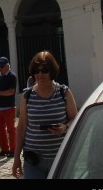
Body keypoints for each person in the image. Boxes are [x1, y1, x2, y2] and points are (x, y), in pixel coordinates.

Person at [12, 51, 78, 179]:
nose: (40, 74)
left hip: (61, 159)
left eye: (44, 70)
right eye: (36, 70)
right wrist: (16, 158)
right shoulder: (27, 96)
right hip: (34, 160)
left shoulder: (64, 92)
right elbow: (21, 128)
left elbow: (75, 118)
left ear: (52, 71)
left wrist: (64, 127)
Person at [0, 56, 17, 158]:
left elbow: (11, 91)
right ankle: (4, 149)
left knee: (11, 129)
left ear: (7, 66)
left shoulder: (12, 76)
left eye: (2, 66)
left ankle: (13, 149)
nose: (0, 68)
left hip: (8, 107)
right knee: (1, 130)